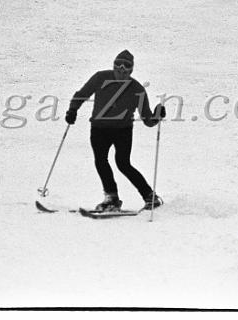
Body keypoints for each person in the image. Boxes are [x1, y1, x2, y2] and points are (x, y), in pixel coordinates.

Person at [65, 50, 166, 212]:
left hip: (122, 130)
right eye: (118, 70)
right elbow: (81, 94)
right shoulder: (100, 78)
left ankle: (150, 196)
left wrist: (157, 116)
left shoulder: (137, 89)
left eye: (125, 72)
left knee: (123, 163)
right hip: (99, 129)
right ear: (113, 68)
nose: (121, 74)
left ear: (130, 71)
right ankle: (111, 197)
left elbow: (147, 120)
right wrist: (72, 110)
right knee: (101, 161)